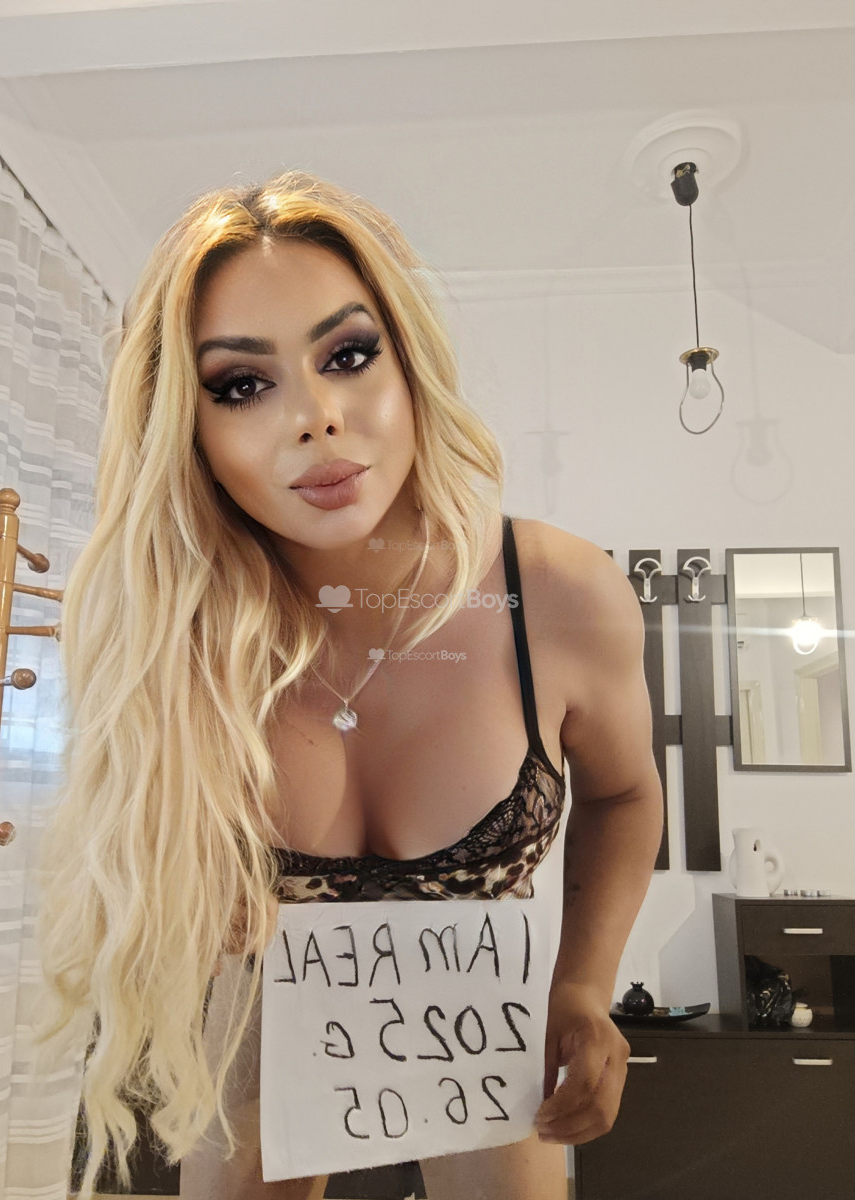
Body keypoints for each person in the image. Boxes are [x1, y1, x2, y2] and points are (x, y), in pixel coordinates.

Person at [36, 171, 663, 1200]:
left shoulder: (557, 594)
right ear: (188, 427)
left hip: (481, 1032)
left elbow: (627, 792)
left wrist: (584, 986)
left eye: (348, 355)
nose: (317, 419)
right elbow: (130, 867)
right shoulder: (175, 634)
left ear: (408, 363)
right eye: (242, 385)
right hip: (259, 1019)